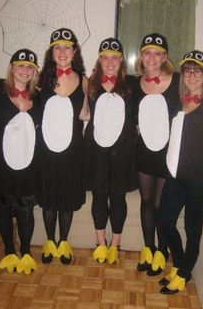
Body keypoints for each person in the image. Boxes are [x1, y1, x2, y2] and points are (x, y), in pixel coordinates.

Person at [158, 50, 203, 294]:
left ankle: (184, 274)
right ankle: (181, 263)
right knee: (164, 222)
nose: (192, 75)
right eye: (187, 70)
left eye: (197, 70)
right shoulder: (178, 101)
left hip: (201, 179)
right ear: (182, 75)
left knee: (192, 229)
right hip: (176, 174)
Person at [37, 27, 89, 264]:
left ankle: (64, 242)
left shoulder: (84, 80)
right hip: (46, 148)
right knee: (49, 194)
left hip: (74, 149)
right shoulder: (40, 79)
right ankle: (50, 241)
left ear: (74, 50)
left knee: (67, 195)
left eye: (67, 47)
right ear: (51, 51)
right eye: (57, 47)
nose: (62, 51)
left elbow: (86, 113)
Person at [0, 49, 39, 274]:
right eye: (21, 65)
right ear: (11, 67)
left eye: (30, 67)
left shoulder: (39, 95)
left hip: (28, 157)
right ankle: (9, 250)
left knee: (25, 205)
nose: (25, 71)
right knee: (3, 204)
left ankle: (25, 251)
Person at [84, 37, 137, 264]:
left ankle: (116, 243)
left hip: (123, 149)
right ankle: (100, 242)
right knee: (98, 194)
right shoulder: (89, 83)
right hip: (95, 148)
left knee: (117, 196)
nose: (109, 62)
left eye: (114, 58)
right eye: (104, 57)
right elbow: (82, 113)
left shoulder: (132, 84)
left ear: (121, 60)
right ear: (99, 59)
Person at [134, 33, 181, 276]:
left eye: (158, 53)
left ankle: (162, 252)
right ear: (142, 56)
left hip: (168, 152)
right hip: (144, 151)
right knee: (146, 202)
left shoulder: (179, 81)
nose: (152, 57)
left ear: (164, 57)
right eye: (147, 52)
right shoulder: (134, 84)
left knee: (162, 205)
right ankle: (149, 249)